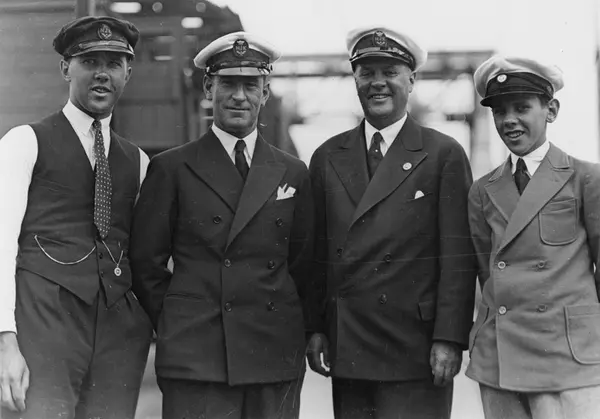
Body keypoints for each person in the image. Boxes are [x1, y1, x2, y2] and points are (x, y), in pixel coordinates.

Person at [129, 32, 314, 419]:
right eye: (228, 84)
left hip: (272, 353)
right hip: (198, 356)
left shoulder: (293, 172)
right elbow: (145, 263)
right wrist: (180, 320)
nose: (239, 97)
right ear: (208, 88)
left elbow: (303, 263)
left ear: (265, 93)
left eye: (251, 86)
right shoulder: (172, 168)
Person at [306, 26, 476, 419]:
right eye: (366, 73)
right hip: (350, 346)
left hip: (416, 348)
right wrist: (314, 328)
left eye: (390, 72)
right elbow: (315, 255)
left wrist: (450, 338)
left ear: (411, 80)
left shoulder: (443, 154)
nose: (378, 82)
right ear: (355, 80)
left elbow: (458, 258)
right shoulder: (327, 156)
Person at [0, 16, 153, 419]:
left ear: (128, 73)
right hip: (44, 327)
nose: (102, 74)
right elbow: (0, 244)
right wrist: (5, 341)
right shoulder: (25, 142)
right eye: (89, 62)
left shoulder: (138, 161)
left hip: (118, 337)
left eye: (114, 63)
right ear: (66, 68)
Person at [467, 55, 600, 419]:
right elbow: (486, 271)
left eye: (522, 108)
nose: (509, 120)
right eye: (499, 111)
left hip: (565, 355)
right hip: (499, 354)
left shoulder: (586, 178)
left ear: (551, 110)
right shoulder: (482, 190)